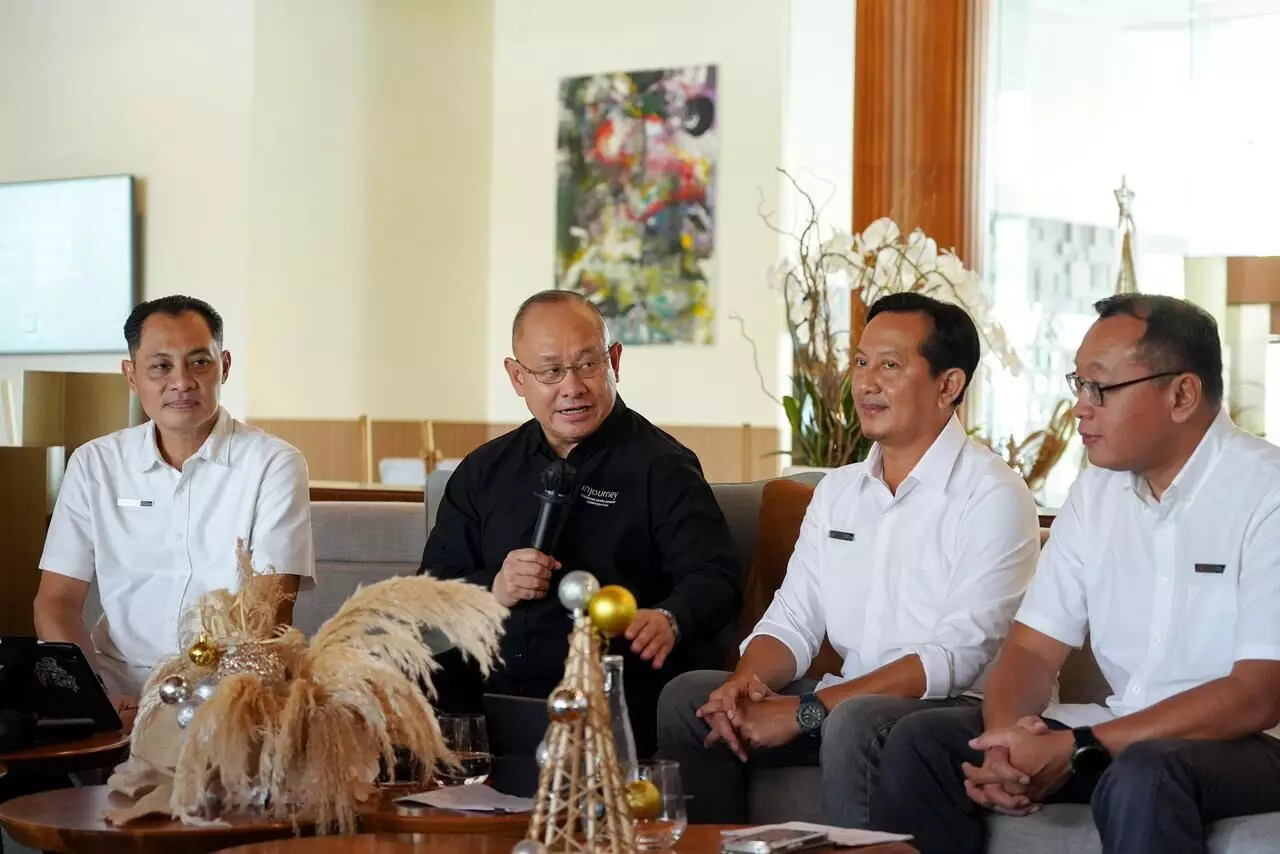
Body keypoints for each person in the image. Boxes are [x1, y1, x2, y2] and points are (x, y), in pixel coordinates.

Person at [872, 294, 1280, 854]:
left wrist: (1079, 745)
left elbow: (1257, 693)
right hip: (1121, 730)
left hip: (1251, 744)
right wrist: (1003, 743)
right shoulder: (1097, 490)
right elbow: (1032, 650)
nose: (1080, 408)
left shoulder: (1265, 492)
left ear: (1182, 395)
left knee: (1145, 773)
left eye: (1101, 388)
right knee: (922, 742)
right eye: (1078, 384)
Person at [657, 292, 1041, 828]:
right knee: (689, 699)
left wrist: (808, 710)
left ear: (949, 385)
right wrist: (741, 688)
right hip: (848, 702)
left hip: (952, 709)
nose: (865, 383)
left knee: (853, 720)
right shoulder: (838, 491)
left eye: (889, 365)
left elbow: (956, 656)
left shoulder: (993, 494)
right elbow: (792, 620)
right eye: (860, 362)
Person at [418, 289, 742, 757]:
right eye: (551, 371)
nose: (572, 387)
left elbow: (716, 577)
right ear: (517, 377)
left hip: (611, 708)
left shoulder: (663, 466)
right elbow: (428, 592)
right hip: (486, 703)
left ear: (615, 361)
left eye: (588, 365)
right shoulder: (483, 471)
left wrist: (671, 618)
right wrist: (495, 588)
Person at [33, 295, 314, 731]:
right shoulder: (94, 464)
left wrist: (194, 705)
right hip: (113, 693)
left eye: (199, 362)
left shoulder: (274, 464)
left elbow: (268, 616)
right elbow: (56, 602)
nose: (181, 382)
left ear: (224, 366)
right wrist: (96, 697)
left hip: (224, 697)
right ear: (131, 375)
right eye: (161, 366)